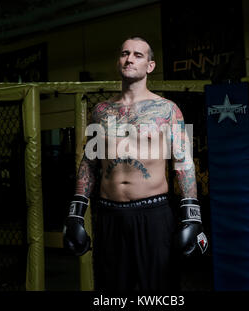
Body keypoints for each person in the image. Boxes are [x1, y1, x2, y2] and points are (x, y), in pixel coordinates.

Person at [62, 36, 208, 291]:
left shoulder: (168, 109)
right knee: (111, 290)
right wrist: (76, 213)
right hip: (108, 214)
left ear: (150, 66)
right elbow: (89, 162)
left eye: (138, 55)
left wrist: (192, 217)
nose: (129, 58)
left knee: (158, 290)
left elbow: (183, 162)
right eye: (124, 53)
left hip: (152, 214)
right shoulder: (100, 111)